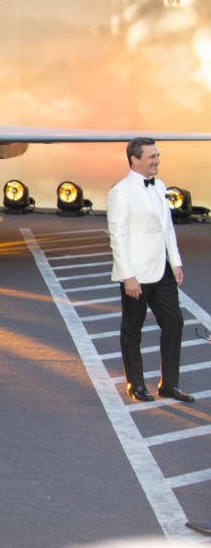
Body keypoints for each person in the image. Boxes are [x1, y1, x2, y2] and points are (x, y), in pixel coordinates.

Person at [108, 137, 193, 403]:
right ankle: (136, 384)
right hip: (136, 274)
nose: (157, 160)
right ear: (135, 159)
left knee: (174, 323)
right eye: (152, 156)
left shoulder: (160, 186)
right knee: (133, 329)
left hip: (162, 270)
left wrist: (175, 262)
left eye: (157, 155)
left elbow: (167, 228)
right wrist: (128, 276)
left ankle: (169, 384)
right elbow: (118, 236)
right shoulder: (120, 192)